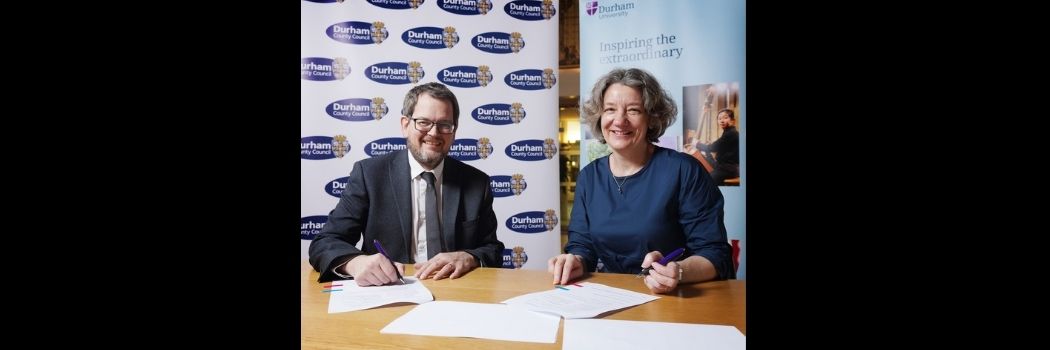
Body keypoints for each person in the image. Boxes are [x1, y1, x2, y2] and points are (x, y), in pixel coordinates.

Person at [548, 68, 734, 294]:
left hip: (673, 300)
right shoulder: (589, 176)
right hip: (609, 298)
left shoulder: (684, 170)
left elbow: (715, 254)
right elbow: (582, 247)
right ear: (599, 117)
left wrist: (678, 271)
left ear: (652, 118)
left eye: (633, 110)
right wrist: (574, 260)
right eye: (610, 110)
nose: (619, 120)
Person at [310, 82, 505, 286]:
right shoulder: (369, 175)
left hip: (454, 292)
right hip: (389, 291)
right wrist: (356, 263)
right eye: (423, 122)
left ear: (454, 131)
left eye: (445, 125)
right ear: (405, 125)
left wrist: (468, 257)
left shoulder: (477, 182)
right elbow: (325, 243)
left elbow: (492, 249)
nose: (434, 133)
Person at [695, 108, 739, 185]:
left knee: (707, 179)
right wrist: (706, 149)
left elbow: (712, 148)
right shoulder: (728, 133)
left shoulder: (731, 134)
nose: (722, 120)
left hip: (728, 169)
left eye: (725, 117)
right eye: (719, 118)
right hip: (724, 167)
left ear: (733, 120)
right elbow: (715, 147)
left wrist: (697, 144)